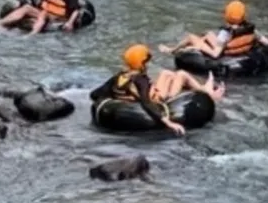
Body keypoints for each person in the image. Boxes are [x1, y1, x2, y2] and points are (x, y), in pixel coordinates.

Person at [89, 44, 226, 136]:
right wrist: (169, 123)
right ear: (142, 63)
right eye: (146, 62)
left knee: (167, 73)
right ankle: (208, 92)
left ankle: (203, 88)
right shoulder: (140, 80)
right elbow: (147, 103)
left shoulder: (120, 76)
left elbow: (94, 94)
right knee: (181, 75)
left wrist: (118, 99)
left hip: (144, 95)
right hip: (157, 99)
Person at [159, 0, 268, 59]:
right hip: (234, 45)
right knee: (208, 34)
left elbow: (216, 54)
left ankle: (172, 50)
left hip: (223, 49)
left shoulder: (225, 32)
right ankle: (196, 43)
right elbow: (267, 42)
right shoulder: (250, 29)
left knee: (191, 37)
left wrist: (200, 48)